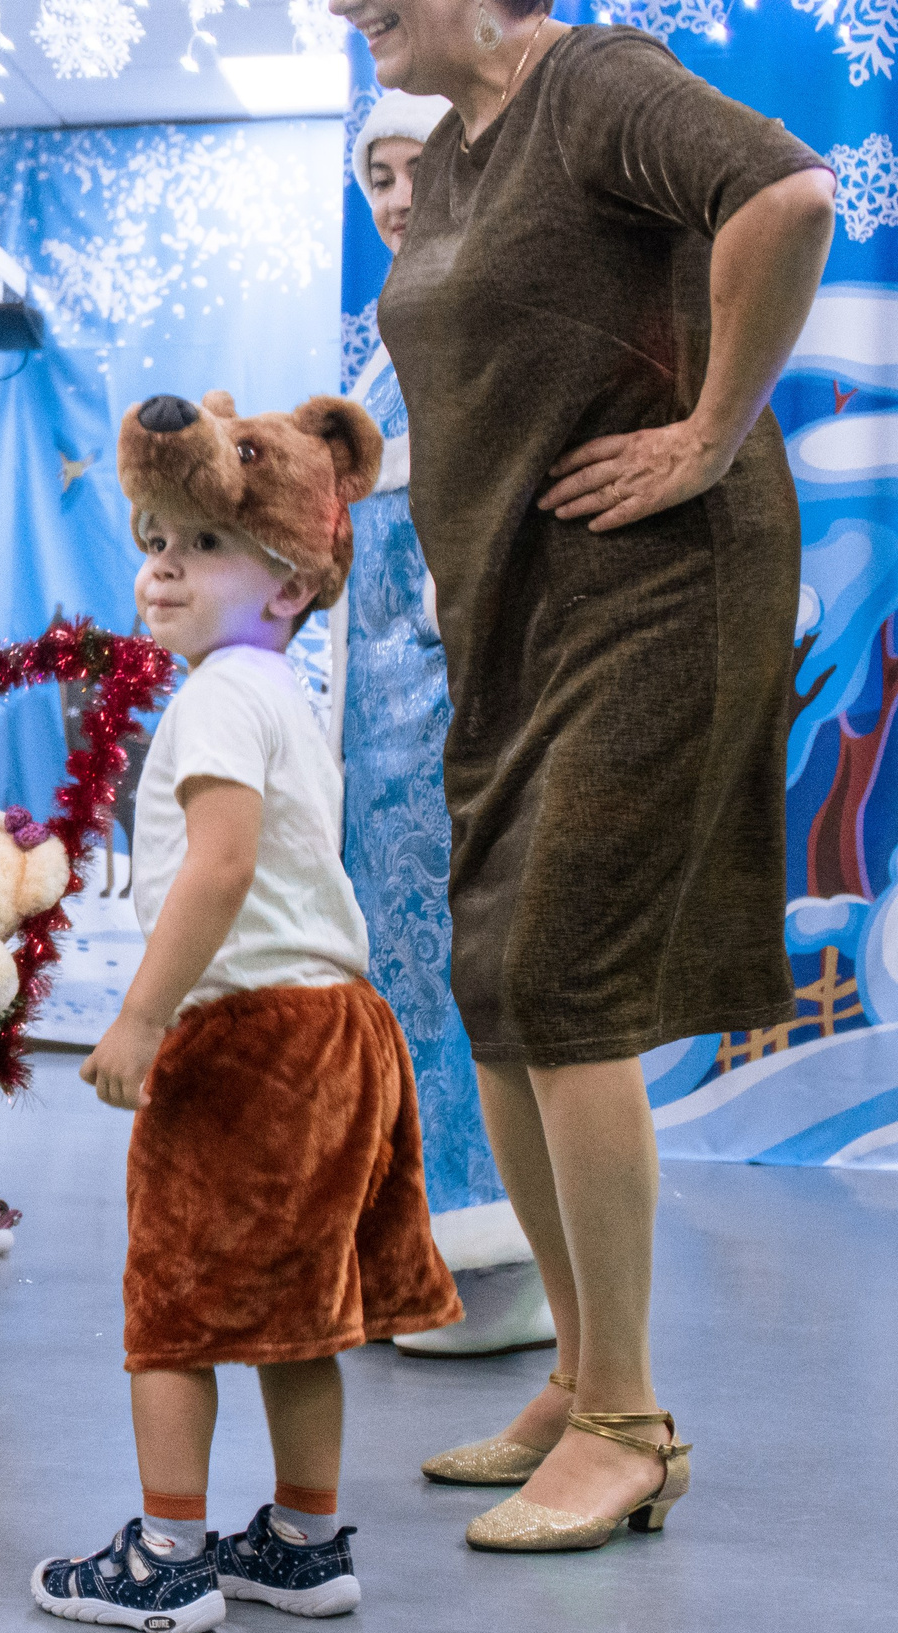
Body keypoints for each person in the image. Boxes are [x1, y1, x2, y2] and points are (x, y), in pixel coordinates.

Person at [339, 0, 836, 1549]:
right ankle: (574, 1372)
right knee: (496, 980)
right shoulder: (459, 152)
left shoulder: (596, 80)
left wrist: (708, 431)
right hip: (517, 610)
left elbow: (791, 193)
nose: (347, 9)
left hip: (656, 587)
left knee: (562, 969)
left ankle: (629, 1419)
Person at [32, 393, 457, 1633]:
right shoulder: (276, 689)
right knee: (292, 1312)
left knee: (171, 1304)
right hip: (339, 1023)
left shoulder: (218, 697)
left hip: (246, 1037)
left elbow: (217, 868)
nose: (163, 565)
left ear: (285, 583)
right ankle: (303, 1541)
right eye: (155, 538)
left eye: (204, 546)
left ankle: (167, 1554)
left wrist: (143, 1020)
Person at [340, 89, 555, 1360]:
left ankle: (504, 1257)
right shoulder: (387, 337)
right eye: (375, 171)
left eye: (416, 164)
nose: (395, 194)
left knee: (484, 988)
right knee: (402, 986)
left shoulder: (509, 316)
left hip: (471, 722)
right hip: (378, 752)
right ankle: (418, 1243)